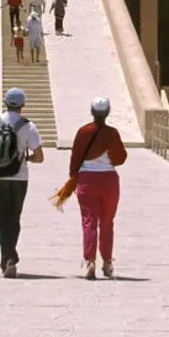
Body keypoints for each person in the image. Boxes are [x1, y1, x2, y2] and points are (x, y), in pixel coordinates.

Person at [50, 97, 127, 280]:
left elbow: (75, 157)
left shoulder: (83, 132)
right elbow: (120, 158)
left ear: (92, 112)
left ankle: (90, 261)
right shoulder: (112, 133)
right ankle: (107, 261)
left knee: (88, 221)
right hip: (108, 181)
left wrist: (73, 176)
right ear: (107, 112)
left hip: (86, 180)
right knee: (107, 221)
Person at [0, 88, 44, 277]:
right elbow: (39, 157)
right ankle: (9, 258)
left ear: (5, 102)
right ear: (23, 105)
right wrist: (24, 158)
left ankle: (7, 258)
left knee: (1, 218)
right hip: (19, 177)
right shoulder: (28, 126)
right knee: (14, 218)